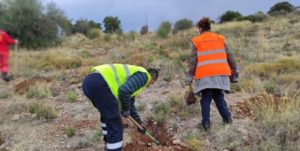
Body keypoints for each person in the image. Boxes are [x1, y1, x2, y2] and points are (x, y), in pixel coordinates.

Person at [82, 64, 159, 151]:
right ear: (152, 77)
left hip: (89, 83)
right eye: (153, 82)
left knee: (107, 116)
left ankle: (108, 145)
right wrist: (125, 109)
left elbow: (130, 104)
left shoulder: (135, 78)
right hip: (101, 84)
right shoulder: (145, 76)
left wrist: (139, 123)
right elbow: (124, 91)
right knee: (115, 125)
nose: (151, 84)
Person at [186, 17, 239, 130]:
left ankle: (206, 124)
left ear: (200, 28)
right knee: (218, 96)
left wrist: (190, 75)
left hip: (205, 75)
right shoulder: (219, 38)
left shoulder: (197, 41)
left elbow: (193, 60)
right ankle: (227, 118)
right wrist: (234, 70)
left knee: (206, 99)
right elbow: (230, 55)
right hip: (221, 73)